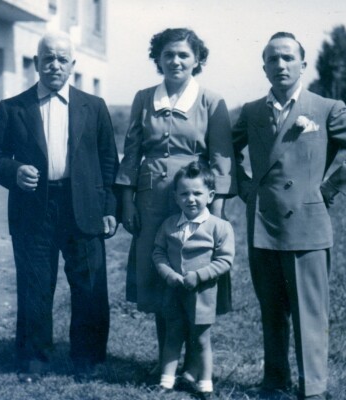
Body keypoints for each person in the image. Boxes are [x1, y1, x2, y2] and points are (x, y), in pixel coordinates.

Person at [232, 32, 346, 400]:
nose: (280, 65)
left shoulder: (326, 107)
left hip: (307, 224)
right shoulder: (252, 110)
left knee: (309, 312)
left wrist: (331, 188)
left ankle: (313, 388)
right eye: (272, 59)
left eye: (288, 58)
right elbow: (223, 148)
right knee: (271, 308)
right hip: (262, 224)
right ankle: (274, 380)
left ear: (303, 64)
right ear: (264, 67)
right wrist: (244, 186)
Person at [0, 32, 119, 382]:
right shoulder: (13, 107)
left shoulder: (94, 106)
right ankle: (34, 359)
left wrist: (109, 206)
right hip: (34, 208)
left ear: (73, 65)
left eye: (62, 59)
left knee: (90, 284)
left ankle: (87, 359)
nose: (55, 65)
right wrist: (15, 171)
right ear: (36, 63)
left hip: (84, 206)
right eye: (48, 58)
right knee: (35, 284)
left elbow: (108, 161)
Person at [116, 28, 236, 372]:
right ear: (158, 59)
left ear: (197, 60)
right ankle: (165, 359)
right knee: (160, 275)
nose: (176, 61)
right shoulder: (143, 98)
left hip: (197, 199)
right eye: (168, 54)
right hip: (152, 201)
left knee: (195, 273)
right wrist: (127, 201)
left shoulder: (210, 101)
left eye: (184, 54)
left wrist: (217, 212)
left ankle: (195, 363)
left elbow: (222, 157)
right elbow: (132, 152)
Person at [153, 161, 235, 399]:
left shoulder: (219, 227)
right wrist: (169, 274)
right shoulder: (169, 225)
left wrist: (198, 276)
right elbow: (158, 252)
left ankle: (205, 385)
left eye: (197, 193)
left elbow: (224, 260)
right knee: (172, 335)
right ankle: (166, 382)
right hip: (174, 292)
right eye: (185, 194)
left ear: (210, 196)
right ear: (176, 197)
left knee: (201, 340)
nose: (191, 199)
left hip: (202, 296)